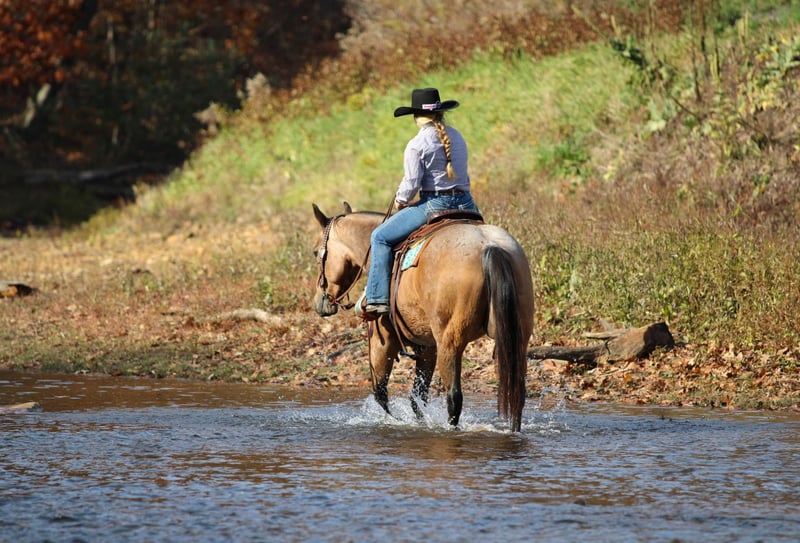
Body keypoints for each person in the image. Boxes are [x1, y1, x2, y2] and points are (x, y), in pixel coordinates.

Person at [357, 87, 480, 319]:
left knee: (380, 237)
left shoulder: (416, 144)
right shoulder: (457, 137)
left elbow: (412, 182)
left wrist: (400, 200)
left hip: (435, 204)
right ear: (441, 112)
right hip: (467, 204)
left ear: (416, 117)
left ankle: (376, 299)